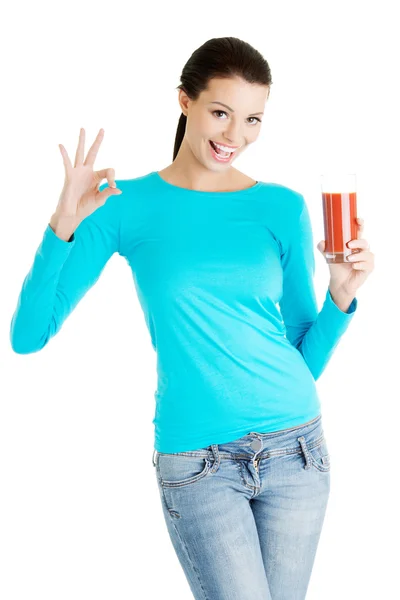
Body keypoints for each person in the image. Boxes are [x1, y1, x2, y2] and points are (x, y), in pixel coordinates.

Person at [10, 36, 374, 600]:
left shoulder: (282, 207)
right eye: (221, 112)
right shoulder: (123, 205)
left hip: (297, 453)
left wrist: (342, 298)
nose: (235, 136)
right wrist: (62, 226)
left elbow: (303, 357)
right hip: (199, 466)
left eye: (252, 119)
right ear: (185, 101)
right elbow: (28, 336)